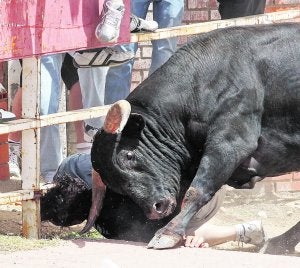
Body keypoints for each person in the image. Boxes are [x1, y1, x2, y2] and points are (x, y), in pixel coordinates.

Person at [42, 152, 266, 248]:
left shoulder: (110, 226)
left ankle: (242, 231)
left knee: (176, 237)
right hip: (209, 176)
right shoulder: (70, 167)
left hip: (202, 198)